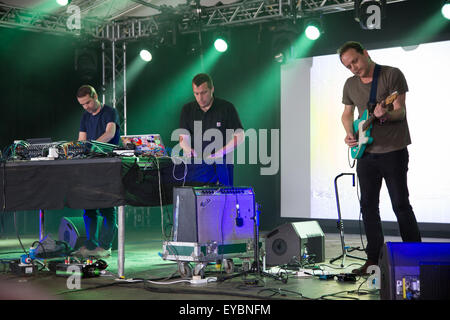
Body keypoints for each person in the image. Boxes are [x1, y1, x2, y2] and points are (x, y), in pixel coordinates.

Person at [338, 41, 421, 275]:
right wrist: (349, 133)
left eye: (355, 61)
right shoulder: (350, 84)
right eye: (348, 66)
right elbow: (347, 114)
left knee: (400, 205)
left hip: (393, 151)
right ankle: (373, 260)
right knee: (368, 206)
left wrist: (385, 114)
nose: (353, 67)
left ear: (366, 53)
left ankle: (415, 257)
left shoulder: (391, 75)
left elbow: (400, 110)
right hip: (366, 155)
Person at [73, 85, 120, 259]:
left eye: (87, 102)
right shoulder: (85, 116)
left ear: (94, 96)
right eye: (82, 104)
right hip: (90, 165)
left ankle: (105, 246)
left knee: (107, 206)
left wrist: (92, 146)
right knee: (89, 207)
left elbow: (109, 134)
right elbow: (81, 140)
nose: (86, 107)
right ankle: (91, 244)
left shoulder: (110, 111)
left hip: (108, 163)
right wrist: (77, 150)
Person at [179, 73, 244, 186]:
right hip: (196, 165)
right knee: (195, 200)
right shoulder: (187, 110)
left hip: (222, 164)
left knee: (224, 200)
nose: (200, 98)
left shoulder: (226, 108)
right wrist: (187, 148)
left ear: (212, 89)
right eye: (196, 93)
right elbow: (183, 137)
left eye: (204, 93)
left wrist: (219, 153)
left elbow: (240, 135)